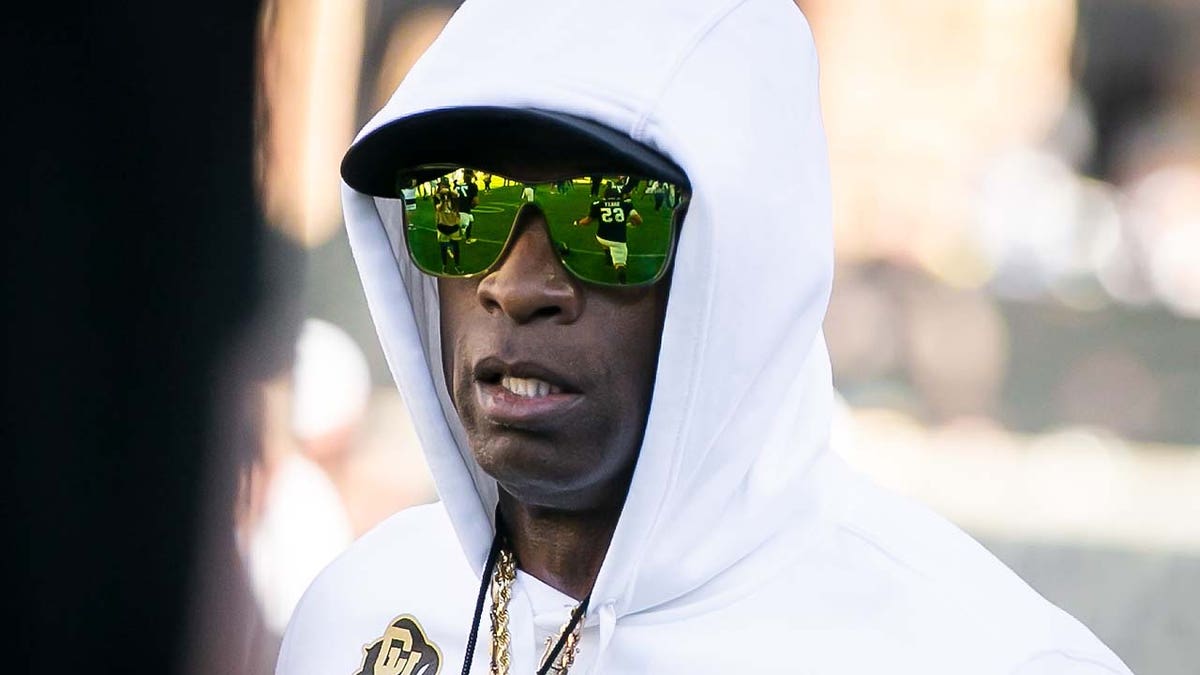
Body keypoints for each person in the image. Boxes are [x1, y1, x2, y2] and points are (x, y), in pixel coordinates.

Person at [278, 2, 1133, 674]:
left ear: (744, 261)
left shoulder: (982, 657)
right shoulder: (356, 608)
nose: (514, 283)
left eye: (609, 216)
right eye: (460, 207)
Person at [573, 184, 643, 283]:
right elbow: (639, 220)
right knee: (620, 264)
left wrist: (578, 222)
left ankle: (608, 256)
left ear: (605, 195)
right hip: (618, 240)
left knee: (605, 243)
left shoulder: (597, 204)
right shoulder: (626, 204)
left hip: (601, 237)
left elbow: (587, 221)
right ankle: (621, 281)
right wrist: (632, 224)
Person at [433, 177, 463, 273]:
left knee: (456, 247)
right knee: (443, 248)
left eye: (444, 186)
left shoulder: (453, 195)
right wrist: (443, 200)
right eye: (441, 186)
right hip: (442, 226)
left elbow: (457, 200)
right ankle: (444, 265)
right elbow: (438, 208)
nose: (442, 188)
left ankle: (457, 265)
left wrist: (449, 194)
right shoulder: (437, 197)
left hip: (453, 226)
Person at [454, 170, 480, 243]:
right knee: (467, 220)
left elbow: (454, 197)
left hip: (457, 208)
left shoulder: (458, 185)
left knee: (470, 219)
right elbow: (476, 201)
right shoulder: (473, 186)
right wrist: (471, 206)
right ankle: (468, 238)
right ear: (471, 176)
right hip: (465, 209)